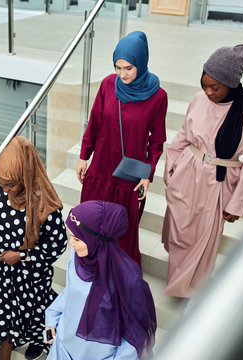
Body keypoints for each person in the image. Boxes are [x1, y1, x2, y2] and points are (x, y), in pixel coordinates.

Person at [162, 44, 243, 298]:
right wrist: (171, 168)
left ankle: (193, 292)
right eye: (204, 85)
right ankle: (178, 282)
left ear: (231, 83)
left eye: (215, 87)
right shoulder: (199, 99)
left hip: (219, 181)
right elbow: (182, 135)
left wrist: (238, 203)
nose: (208, 92)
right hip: (188, 170)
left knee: (205, 238)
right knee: (179, 232)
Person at [0, 136, 68, 360]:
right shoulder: (2, 191)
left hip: (31, 275)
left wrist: (22, 256)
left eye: (11, 184)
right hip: (2, 272)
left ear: (26, 175)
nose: (5, 190)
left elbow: (57, 246)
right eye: (1, 183)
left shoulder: (46, 206)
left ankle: (39, 338)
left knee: (34, 312)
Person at [76, 31, 167, 266]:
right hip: (100, 170)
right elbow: (94, 121)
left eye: (128, 68)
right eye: (118, 67)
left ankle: (119, 280)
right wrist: (84, 156)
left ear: (141, 62)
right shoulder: (108, 85)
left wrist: (148, 174)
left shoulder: (158, 97)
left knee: (120, 236)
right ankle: (91, 271)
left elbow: (156, 142)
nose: (122, 74)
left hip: (127, 177)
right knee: (91, 227)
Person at [45, 200, 157, 360]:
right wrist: (51, 319)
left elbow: (134, 335)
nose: (71, 244)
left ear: (95, 239)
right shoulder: (77, 258)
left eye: (77, 239)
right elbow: (70, 293)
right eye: (71, 236)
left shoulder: (128, 281)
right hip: (62, 349)